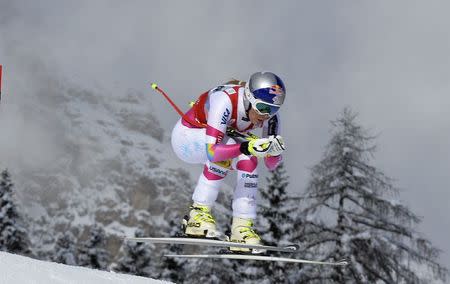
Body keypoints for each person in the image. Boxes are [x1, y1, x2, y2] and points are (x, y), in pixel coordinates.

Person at [171, 72, 286, 250]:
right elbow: (212, 152)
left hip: (218, 144)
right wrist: (247, 146)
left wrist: (275, 151)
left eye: (274, 109)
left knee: (250, 158)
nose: (266, 116)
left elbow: (271, 165)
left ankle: (241, 228)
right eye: (263, 107)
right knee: (235, 148)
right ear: (249, 97)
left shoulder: (271, 117)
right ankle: (198, 215)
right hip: (186, 138)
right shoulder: (224, 101)